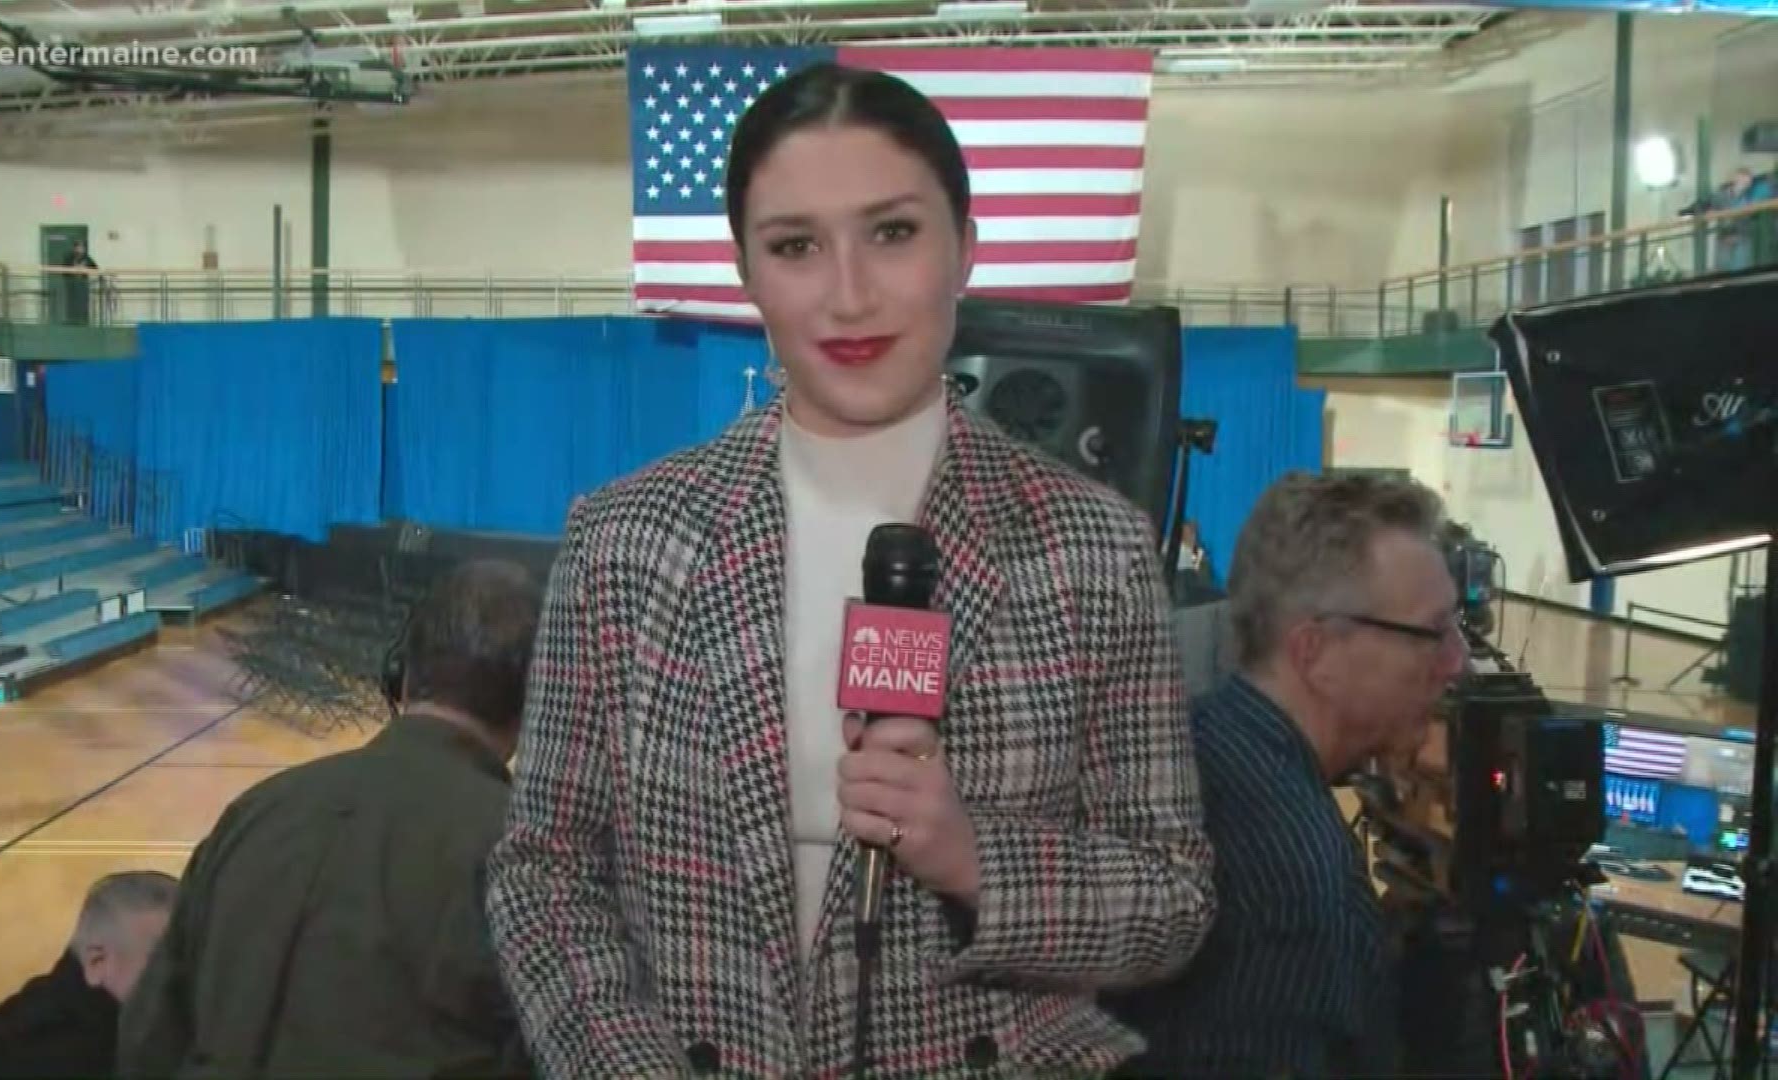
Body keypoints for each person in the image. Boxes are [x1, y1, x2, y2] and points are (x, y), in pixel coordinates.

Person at [485, 62, 1214, 1080]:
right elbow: (544, 872)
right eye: (796, 247)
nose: (849, 293)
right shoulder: (623, 541)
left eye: (893, 233)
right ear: (748, 273)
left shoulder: (1090, 548)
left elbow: (1172, 901)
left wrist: (973, 858)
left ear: (965, 246)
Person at [117, 559, 539, 1079]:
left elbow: (149, 1041)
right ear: (537, 701)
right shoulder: (526, 855)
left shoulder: (255, 813)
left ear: (398, 675)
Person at [1110, 472, 1468, 1076]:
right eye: (1433, 634)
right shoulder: (1300, 883)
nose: (1458, 662)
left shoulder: (1188, 745)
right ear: (1315, 651)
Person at [0, 871, 176, 1080]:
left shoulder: (86, 1014)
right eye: (163, 961)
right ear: (97, 961)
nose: (181, 975)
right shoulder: (45, 1052)